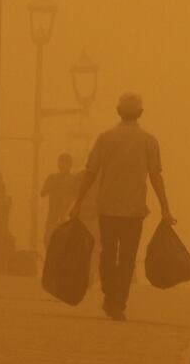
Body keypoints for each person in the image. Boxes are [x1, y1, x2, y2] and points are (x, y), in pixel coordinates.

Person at [69, 92, 176, 321]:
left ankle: (109, 295)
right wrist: (165, 208)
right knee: (127, 257)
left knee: (107, 253)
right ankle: (119, 303)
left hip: (107, 207)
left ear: (118, 111)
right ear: (141, 113)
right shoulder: (149, 141)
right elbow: (155, 176)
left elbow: (90, 171)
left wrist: (78, 201)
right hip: (134, 210)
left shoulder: (105, 138)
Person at [41, 153, 78, 248]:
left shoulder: (72, 180)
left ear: (70, 165)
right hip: (54, 215)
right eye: (61, 162)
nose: (63, 165)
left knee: (63, 242)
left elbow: (76, 197)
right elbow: (43, 193)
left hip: (65, 216)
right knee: (50, 240)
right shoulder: (53, 178)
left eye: (65, 163)